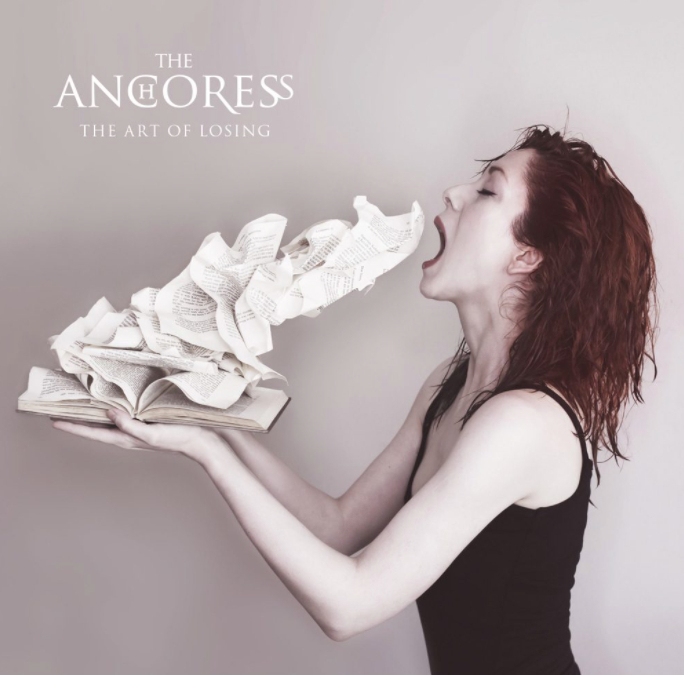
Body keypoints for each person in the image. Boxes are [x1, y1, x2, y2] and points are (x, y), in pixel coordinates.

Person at [52, 124, 659, 674]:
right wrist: (209, 416)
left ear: (527, 256)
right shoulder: (451, 385)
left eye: (487, 191)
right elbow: (336, 527)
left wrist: (203, 452)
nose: (453, 192)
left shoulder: (522, 424)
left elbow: (348, 606)